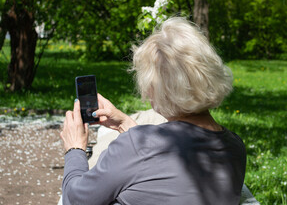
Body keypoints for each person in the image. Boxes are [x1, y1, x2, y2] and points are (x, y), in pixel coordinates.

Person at [60, 17, 247, 205]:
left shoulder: (138, 146)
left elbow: (75, 200)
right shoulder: (235, 147)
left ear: (157, 89)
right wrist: (126, 125)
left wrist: (75, 148)